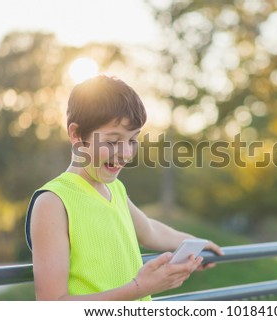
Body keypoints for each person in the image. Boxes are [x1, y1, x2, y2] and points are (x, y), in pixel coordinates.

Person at [25, 74, 223, 301]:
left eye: (132, 140)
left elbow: (150, 231)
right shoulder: (53, 202)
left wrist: (197, 244)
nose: (126, 154)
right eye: (112, 142)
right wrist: (141, 287)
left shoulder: (115, 189)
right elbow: (52, 304)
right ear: (76, 135)